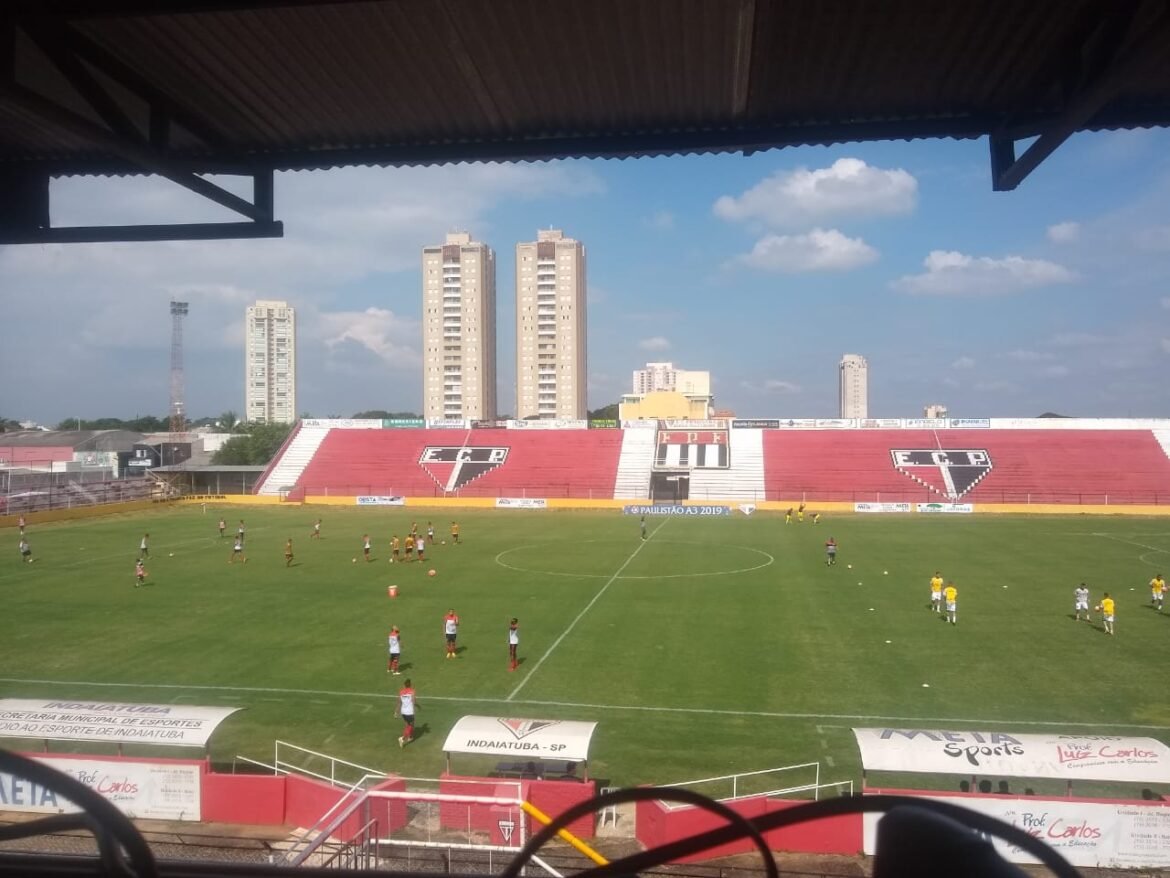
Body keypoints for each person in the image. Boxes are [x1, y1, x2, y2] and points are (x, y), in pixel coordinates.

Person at [395, 678, 416, 747]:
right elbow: (414, 702)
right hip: (409, 711)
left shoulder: (401, 692)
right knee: (411, 725)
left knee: (407, 724)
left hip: (403, 711)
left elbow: (399, 702)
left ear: (404, 685)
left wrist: (396, 712)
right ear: (410, 684)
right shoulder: (412, 691)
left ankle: (410, 737)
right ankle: (402, 738)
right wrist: (417, 707)